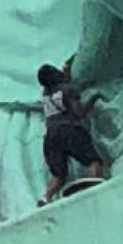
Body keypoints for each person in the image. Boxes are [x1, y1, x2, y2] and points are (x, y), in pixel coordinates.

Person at [37, 63, 105, 205]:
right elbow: (80, 113)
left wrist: (66, 71)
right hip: (69, 130)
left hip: (50, 136)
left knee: (59, 175)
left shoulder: (45, 94)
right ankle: (95, 187)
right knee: (93, 161)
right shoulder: (68, 90)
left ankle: (46, 197)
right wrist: (94, 99)